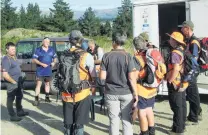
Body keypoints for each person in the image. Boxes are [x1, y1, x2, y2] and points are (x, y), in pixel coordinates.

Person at [99, 32, 138, 135]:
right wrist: (136, 93)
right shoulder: (128, 56)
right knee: (127, 120)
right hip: (126, 92)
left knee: (113, 120)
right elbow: (131, 78)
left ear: (113, 42)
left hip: (111, 92)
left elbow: (102, 77)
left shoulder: (106, 56)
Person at [62, 30, 96, 135]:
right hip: (82, 93)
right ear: (81, 41)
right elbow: (93, 75)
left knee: (68, 123)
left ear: (70, 41)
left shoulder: (63, 54)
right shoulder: (86, 56)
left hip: (66, 92)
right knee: (79, 123)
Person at [133, 35, 157, 135]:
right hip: (152, 88)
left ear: (135, 47)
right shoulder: (151, 54)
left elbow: (134, 76)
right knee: (149, 110)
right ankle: (152, 131)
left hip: (142, 89)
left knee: (142, 112)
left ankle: (144, 132)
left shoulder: (138, 58)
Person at [166, 32, 188, 135]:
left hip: (175, 82)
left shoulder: (174, 53)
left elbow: (175, 69)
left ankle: (178, 130)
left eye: (171, 38)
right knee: (182, 104)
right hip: (182, 81)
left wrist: (170, 80)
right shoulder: (182, 50)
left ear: (175, 41)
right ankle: (181, 126)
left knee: (176, 106)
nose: (169, 40)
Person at [180, 21, 202, 124]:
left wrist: (189, 74)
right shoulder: (189, 40)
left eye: (183, 28)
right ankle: (198, 112)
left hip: (192, 71)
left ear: (188, 28)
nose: (181, 30)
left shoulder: (193, 42)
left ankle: (194, 118)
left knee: (193, 95)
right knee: (192, 94)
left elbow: (193, 60)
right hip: (190, 71)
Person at [2, 42, 29, 122]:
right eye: (12, 49)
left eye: (15, 49)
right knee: (10, 99)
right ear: (7, 50)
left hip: (18, 82)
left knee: (19, 96)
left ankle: (19, 111)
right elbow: (5, 74)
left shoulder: (14, 57)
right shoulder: (6, 59)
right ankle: (12, 116)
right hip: (12, 83)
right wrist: (13, 82)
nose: (14, 50)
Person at [32, 37, 57, 106]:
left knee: (47, 84)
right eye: (46, 41)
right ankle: (36, 99)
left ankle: (47, 97)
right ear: (43, 42)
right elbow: (34, 60)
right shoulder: (38, 50)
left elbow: (55, 58)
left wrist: (54, 63)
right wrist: (41, 64)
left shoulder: (52, 49)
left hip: (48, 70)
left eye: (48, 42)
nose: (47, 43)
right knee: (38, 85)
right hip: (40, 71)